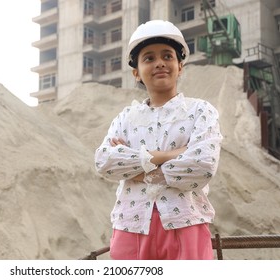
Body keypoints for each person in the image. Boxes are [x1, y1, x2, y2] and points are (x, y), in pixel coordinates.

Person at [94, 20, 223, 260]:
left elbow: (202, 166)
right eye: (149, 58)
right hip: (130, 227)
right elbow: (105, 162)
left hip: (185, 225)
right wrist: (172, 155)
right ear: (136, 73)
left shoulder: (200, 111)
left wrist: (136, 169)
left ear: (180, 66)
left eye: (167, 56)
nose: (160, 63)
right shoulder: (126, 118)